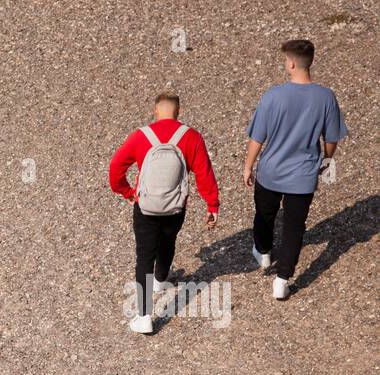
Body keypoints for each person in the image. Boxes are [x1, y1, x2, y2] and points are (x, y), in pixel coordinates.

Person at [244, 39, 348, 300]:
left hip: (270, 172)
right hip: (302, 175)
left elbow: (258, 137)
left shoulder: (273, 95)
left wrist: (248, 166)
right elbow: (332, 139)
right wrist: (325, 160)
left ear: (290, 63)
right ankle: (282, 280)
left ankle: (263, 251)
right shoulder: (326, 97)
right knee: (294, 225)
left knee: (264, 214)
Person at [110, 92, 219, 335]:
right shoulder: (191, 137)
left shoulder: (141, 136)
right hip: (175, 208)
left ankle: (144, 316)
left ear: (156, 111)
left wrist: (126, 191)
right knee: (168, 240)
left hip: (146, 207)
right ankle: (161, 278)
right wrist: (212, 205)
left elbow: (116, 167)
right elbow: (204, 174)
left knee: (144, 257)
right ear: (178, 113)